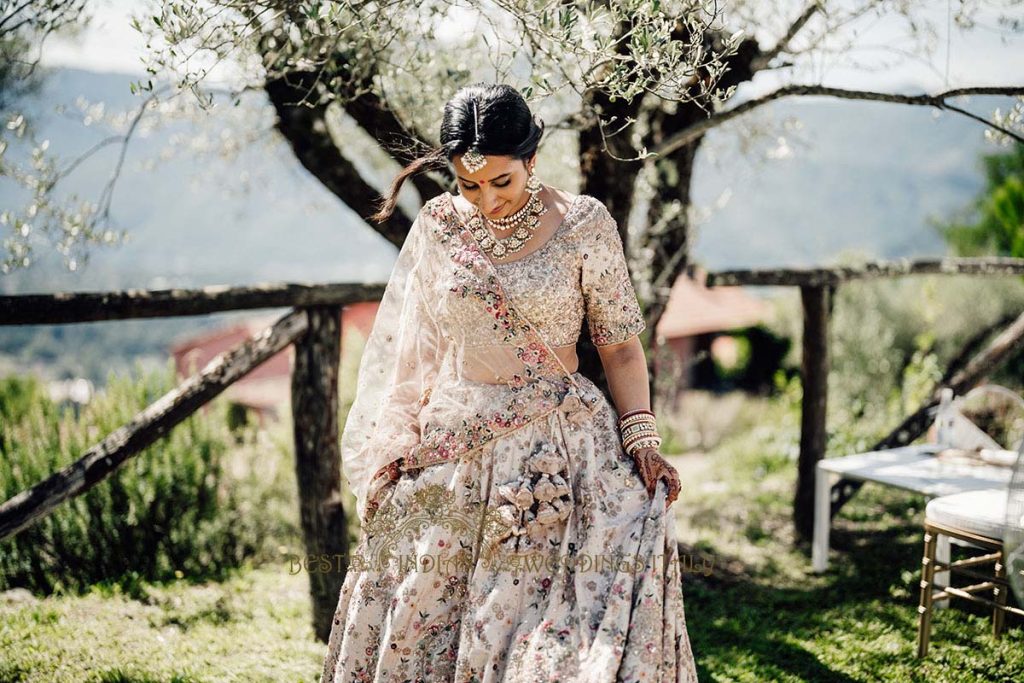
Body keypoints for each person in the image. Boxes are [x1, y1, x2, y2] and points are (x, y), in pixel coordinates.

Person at [320, 82, 698, 683]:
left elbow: (621, 345)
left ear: (532, 160)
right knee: (426, 625)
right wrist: (391, 444)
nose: (486, 199)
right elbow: (414, 355)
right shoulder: (441, 226)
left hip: (564, 452)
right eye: (470, 184)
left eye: (502, 181)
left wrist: (643, 440)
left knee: (557, 636)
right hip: (455, 449)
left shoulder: (583, 224)